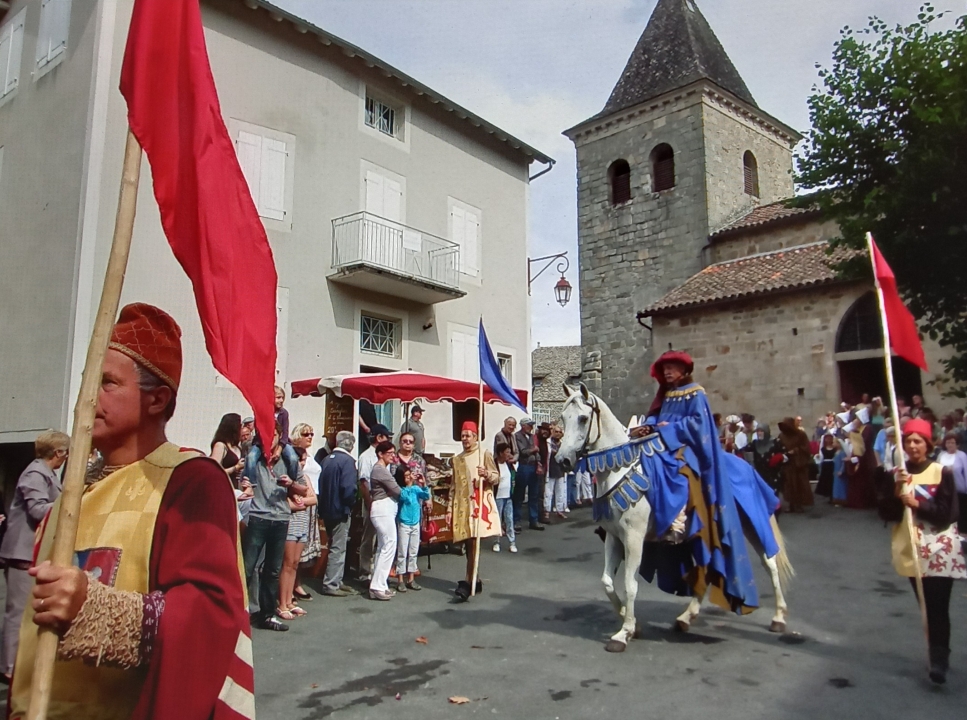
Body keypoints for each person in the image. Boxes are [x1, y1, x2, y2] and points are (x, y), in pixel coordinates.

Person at [10, 303, 251, 718]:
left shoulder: (192, 480)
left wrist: (96, 609)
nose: (88, 396)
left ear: (156, 400)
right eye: (88, 380)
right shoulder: (65, 500)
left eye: (106, 383)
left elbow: (209, 618)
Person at [630, 351, 778, 615]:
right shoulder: (665, 395)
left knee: (680, 473)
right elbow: (654, 415)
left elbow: (699, 425)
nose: (667, 372)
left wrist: (667, 427)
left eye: (673, 367)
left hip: (689, 450)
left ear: (684, 370)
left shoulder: (696, 392)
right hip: (664, 446)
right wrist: (648, 426)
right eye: (664, 368)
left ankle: (677, 522)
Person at [877, 418, 964, 684]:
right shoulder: (899, 475)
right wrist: (895, 490)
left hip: (939, 548)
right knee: (925, 606)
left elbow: (947, 514)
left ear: (928, 444)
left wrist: (917, 503)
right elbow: (887, 514)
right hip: (912, 548)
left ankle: (940, 660)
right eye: (909, 441)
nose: (913, 446)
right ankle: (934, 649)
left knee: (938, 606)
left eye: (918, 441)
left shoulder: (942, 472)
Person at [0, 430, 69, 683]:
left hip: (30, 553)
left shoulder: (46, 474)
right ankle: (8, 667)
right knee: (17, 611)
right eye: (65, 453)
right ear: (58, 453)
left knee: (26, 611)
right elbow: (38, 509)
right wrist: (69, 503)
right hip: (21, 553)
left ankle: (14, 663)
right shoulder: (35, 474)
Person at [243, 421, 305, 631]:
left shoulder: (288, 458)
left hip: (280, 518)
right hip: (259, 516)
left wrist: (291, 485)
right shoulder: (255, 456)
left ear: (280, 436)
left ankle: (267, 615)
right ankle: (239, 612)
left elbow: (303, 489)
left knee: (272, 570)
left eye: (274, 435)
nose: (270, 440)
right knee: (247, 568)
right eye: (265, 436)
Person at [451, 422, 501, 601]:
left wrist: (486, 474)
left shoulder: (483, 454)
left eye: (468, 435)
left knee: (473, 542)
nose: (465, 439)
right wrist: (451, 507)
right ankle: (476, 580)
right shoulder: (457, 459)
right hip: (463, 506)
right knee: (468, 544)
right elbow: (454, 485)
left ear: (475, 436)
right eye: (462, 436)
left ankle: (468, 581)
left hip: (478, 505)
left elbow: (496, 477)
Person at [317, 431, 358, 597]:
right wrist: (350, 504)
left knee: (334, 544)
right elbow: (349, 488)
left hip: (326, 509)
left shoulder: (326, 459)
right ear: (351, 445)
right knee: (338, 548)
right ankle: (332, 583)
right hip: (340, 509)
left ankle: (336, 579)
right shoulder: (347, 461)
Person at [278, 447, 316, 620]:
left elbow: (313, 498)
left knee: (295, 564)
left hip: (302, 523)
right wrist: (301, 501)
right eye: (298, 460)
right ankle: (282, 603)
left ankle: (290, 601)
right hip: (290, 523)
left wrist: (302, 501)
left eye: (303, 461)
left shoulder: (303, 478)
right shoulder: (285, 478)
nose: (301, 464)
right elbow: (288, 504)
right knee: (286, 565)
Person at [291, 423, 323, 601]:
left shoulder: (310, 455)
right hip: (299, 500)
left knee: (305, 546)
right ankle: (292, 585)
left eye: (311, 433)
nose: (310, 436)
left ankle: (298, 583)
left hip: (311, 500)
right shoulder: (293, 454)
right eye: (306, 434)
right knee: (294, 550)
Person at [357, 424, 391, 582]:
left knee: (383, 538)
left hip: (385, 503)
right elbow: (364, 483)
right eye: (386, 437)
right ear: (378, 438)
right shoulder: (366, 457)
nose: (389, 440)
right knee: (369, 538)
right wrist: (370, 504)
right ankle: (365, 572)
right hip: (372, 501)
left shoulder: (384, 456)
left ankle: (378, 571)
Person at [368, 441, 401, 601]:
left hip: (384, 508)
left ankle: (380, 584)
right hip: (383, 509)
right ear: (380, 454)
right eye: (390, 453)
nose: (393, 456)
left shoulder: (383, 469)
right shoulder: (380, 470)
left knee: (384, 546)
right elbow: (396, 489)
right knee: (389, 545)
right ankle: (377, 586)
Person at [395, 465, 430, 592]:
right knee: (402, 551)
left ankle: (411, 578)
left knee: (413, 551)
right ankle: (400, 579)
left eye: (410, 474)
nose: (409, 477)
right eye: (406, 476)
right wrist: (410, 485)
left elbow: (426, 496)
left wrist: (423, 483)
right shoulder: (401, 490)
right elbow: (404, 498)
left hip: (415, 523)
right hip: (404, 523)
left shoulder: (415, 489)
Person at [777, 417, 814, 513]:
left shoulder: (801, 434)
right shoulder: (782, 436)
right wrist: (784, 454)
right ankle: (791, 504)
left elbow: (806, 447)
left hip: (799, 464)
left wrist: (796, 451)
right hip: (788, 464)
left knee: (799, 484)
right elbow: (778, 447)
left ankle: (799, 504)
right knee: (789, 485)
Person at [513, 417, 544, 531]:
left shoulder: (531, 437)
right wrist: (534, 450)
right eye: (529, 425)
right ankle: (517, 521)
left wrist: (538, 462)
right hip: (524, 466)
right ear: (523, 425)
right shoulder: (517, 436)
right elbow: (523, 452)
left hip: (533, 465)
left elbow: (536, 451)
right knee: (519, 495)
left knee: (534, 494)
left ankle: (534, 520)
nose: (531, 427)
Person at [492, 442, 518, 553]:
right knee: (497, 520)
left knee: (509, 519)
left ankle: (512, 542)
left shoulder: (509, 464)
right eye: (506, 452)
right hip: (497, 497)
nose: (509, 454)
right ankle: (496, 542)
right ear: (500, 453)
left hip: (508, 497)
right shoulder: (494, 465)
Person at [936, 433, 967, 524]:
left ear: (957, 444)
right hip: (944, 488)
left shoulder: (962, 455)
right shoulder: (941, 455)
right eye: (948, 442)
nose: (950, 445)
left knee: (961, 510)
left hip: (959, 489)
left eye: (952, 443)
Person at [210, 412, 244, 486]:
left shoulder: (237, 447)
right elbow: (213, 471)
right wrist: (235, 468)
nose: (242, 429)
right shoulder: (220, 446)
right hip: (222, 487)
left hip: (235, 488)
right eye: (240, 426)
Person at [544, 424, 567, 518]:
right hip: (550, 469)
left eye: (559, 432)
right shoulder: (547, 442)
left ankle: (560, 510)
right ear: (552, 432)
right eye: (556, 432)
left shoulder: (563, 444)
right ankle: (546, 511)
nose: (557, 434)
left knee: (560, 491)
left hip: (560, 470)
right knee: (548, 492)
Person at [814, 433, 838, 501]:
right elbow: (821, 458)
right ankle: (826, 493)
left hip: (832, 465)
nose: (828, 440)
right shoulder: (823, 449)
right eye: (827, 439)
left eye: (830, 439)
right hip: (825, 465)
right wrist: (817, 457)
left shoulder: (835, 448)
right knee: (825, 479)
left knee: (832, 480)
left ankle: (832, 495)